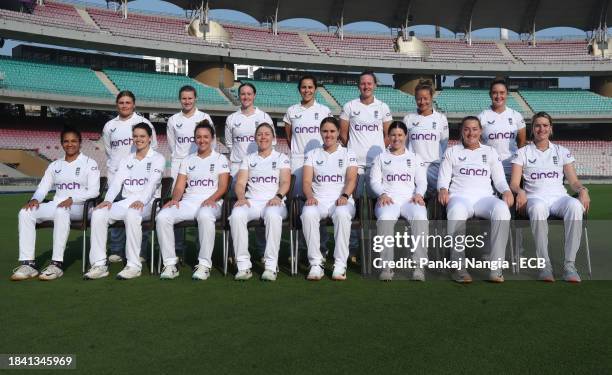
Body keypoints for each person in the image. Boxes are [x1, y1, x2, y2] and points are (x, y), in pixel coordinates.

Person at [11, 128, 100, 281]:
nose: (70, 144)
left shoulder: (89, 163)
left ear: (80, 143)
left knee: (61, 211)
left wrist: (73, 198)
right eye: (66, 141)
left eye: (73, 141)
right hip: (58, 204)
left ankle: (56, 264)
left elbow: (94, 191)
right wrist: (35, 200)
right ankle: (28, 264)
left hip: (80, 207)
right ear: (61, 144)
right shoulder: (55, 165)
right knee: (25, 212)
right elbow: (43, 187)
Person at [510, 112, 590, 283]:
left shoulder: (562, 151)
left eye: (545, 125)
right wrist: (521, 191)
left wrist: (583, 190)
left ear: (551, 129)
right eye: (538, 125)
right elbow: (514, 184)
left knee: (575, 206)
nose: (542, 129)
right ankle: (544, 265)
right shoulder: (523, 152)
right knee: (538, 209)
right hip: (535, 198)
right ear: (532, 129)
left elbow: (573, 181)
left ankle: (570, 265)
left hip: (559, 198)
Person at [437, 116, 513, 283]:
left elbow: (499, 180)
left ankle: (496, 268)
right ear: (461, 131)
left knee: (502, 209)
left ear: (481, 131)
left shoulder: (490, 152)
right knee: (456, 211)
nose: (471, 133)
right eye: (466, 129)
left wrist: (506, 190)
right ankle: (458, 267)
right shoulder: (452, 151)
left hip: (484, 198)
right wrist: (443, 189)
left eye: (474, 129)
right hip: (459, 197)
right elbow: (443, 179)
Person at [85, 123, 164, 280]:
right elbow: (116, 183)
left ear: (149, 138)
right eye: (135, 136)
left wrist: (141, 200)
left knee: (132, 213)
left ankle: (134, 265)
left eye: (142, 136)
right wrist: (108, 200)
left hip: (149, 203)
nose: (138, 139)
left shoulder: (158, 158)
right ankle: (99, 264)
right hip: (127, 201)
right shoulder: (127, 159)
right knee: (98, 213)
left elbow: (153, 183)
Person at [156, 121, 230, 281]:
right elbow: (179, 187)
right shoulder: (187, 160)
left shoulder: (220, 159)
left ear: (212, 139)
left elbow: (223, 186)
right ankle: (170, 264)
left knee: (204, 215)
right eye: (198, 137)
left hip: (213, 202)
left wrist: (211, 199)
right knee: (162, 216)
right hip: (189, 202)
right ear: (194, 139)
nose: (202, 140)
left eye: (205, 137)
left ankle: (204, 265)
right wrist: (175, 200)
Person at [339, 71, 392, 262]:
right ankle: (353, 248)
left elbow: (388, 134)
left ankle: (375, 247)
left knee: (378, 205)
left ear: (375, 85)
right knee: (354, 206)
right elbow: (343, 135)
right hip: (355, 166)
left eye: (370, 83)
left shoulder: (383, 107)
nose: (366, 86)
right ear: (358, 86)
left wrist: (377, 154)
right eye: (363, 83)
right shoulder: (350, 106)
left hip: (376, 166)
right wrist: (354, 152)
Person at [230, 123, 291, 281]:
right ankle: (243, 266)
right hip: (252, 202)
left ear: (273, 138)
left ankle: (270, 266)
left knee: (272, 215)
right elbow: (240, 183)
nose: (263, 137)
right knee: (236, 215)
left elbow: (285, 182)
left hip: (275, 202)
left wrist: (278, 196)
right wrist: (241, 198)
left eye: (266, 134)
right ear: (255, 138)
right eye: (260, 134)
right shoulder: (248, 159)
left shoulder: (281, 158)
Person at [102, 91, 157, 263]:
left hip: (139, 180)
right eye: (121, 102)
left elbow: (152, 147)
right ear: (117, 104)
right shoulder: (109, 126)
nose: (124, 105)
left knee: (140, 215)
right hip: (115, 179)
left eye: (128, 102)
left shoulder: (143, 123)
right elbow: (108, 150)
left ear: (134, 104)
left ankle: (140, 251)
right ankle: (117, 250)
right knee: (115, 217)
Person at [370, 121, 428, 281]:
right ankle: (386, 267)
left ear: (406, 136)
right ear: (388, 137)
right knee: (386, 219)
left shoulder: (415, 157)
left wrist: (419, 194)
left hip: (410, 199)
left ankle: (418, 267)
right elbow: (374, 181)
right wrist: (382, 194)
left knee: (421, 218)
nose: (396, 138)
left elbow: (422, 181)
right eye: (393, 135)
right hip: (388, 200)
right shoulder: (381, 157)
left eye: (400, 135)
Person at [301, 117, 358, 281]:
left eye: (332, 131)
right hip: (318, 200)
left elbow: (352, 179)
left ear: (339, 132)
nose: (328, 135)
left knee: (341, 213)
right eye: (325, 131)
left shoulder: (348, 153)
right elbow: (306, 181)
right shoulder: (312, 154)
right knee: (308, 214)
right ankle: (316, 263)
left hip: (342, 200)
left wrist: (345, 195)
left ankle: (340, 264)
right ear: (320, 133)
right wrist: (310, 196)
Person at [283, 74, 333, 255]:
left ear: (315, 89)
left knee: (317, 202)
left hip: (319, 162)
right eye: (304, 87)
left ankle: (322, 245)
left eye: (310, 87)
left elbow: (329, 135)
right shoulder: (292, 111)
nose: (307, 90)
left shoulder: (324, 110)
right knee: (297, 206)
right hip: (297, 161)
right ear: (299, 89)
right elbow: (290, 137)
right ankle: (299, 245)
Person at [225, 82, 273, 259]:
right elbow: (230, 144)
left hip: (259, 167)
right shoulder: (232, 119)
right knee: (235, 207)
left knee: (261, 206)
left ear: (254, 96)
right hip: (238, 167)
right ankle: (233, 250)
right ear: (239, 96)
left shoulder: (264, 117)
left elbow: (269, 142)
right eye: (242, 94)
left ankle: (262, 250)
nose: (245, 97)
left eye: (249, 94)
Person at [166, 85, 214, 256]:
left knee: (202, 202)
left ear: (195, 99)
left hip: (200, 164)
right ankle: (178, 247)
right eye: (184, 98)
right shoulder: (173, 120)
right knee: (176, 203)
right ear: (180, 99)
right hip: (180, 163)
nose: (187, 101)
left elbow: (210, 142)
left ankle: (202, 246)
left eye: (190, 98)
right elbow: (173, 145)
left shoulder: (204, 117)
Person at [402, 80, 448, 195]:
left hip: (435, 167)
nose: (422, 102)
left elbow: (443, 144)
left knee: (438, 202)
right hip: (415, 167)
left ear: (431, 97)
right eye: (419, 98)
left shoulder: (441, 119)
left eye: (425, 98)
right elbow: (404, 145)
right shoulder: (408, 119)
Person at [478, 79, 527, 178]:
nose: (498, 96)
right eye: (495, 93)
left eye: (502, 93)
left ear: (507, 94)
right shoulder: (482, 117)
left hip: (512, 169)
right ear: (490, 94)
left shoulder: (516, 115)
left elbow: (522, 143)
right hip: (490, 170)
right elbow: (477, 144)